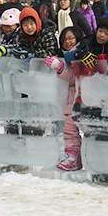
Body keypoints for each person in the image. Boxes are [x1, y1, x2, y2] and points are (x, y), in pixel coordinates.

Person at [43, 26, 85, 171]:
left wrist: (60, 67)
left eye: (70, 38)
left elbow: (74, 76)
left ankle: (84, 157)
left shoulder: (81, 54)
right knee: (69, 128)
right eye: (64, 39)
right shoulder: (67, 54)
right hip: (72, 98)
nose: (67, 42)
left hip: (84, 97)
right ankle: (73, 157)